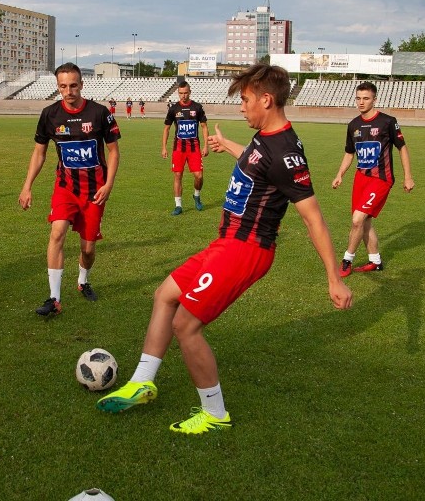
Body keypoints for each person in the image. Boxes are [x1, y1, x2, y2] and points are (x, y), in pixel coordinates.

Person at [97, 64, 352, 434]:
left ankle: (215, 414)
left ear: (267, 100)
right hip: (227, 241)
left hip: (247, 248)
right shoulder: (265, 137)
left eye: (246, 100)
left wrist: (334, 278)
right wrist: (228, 145)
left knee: (186, 324)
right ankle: (142, 381)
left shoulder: (284, 152)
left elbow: (313, 219)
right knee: (165, 294)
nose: (242, 107)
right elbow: (254, 161)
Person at [19, 63, 121, 317]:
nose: (69, 91)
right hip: (65, 188)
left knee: (87, 249)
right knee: (57, 233)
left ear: (81, 85)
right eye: (63, 86)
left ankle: (83, 280)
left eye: (73, 85)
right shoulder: (49, 114)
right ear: (58, 87)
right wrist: (27, 186)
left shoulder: (100, 113)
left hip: (94, 191)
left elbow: (114, 151)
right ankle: (54, 299)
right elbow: (39, 152)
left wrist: (108, 185)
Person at [332, 81, 414, 277]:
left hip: (381, 179)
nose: (361, 102)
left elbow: (402, 147)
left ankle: (346, 261)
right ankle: (375, 261)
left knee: (357, 219)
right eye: (358, 98)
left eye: (366, 98)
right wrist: (339, 174)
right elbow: (349, 153)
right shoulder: (353, 125)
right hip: (361, 179)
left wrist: (408, 177)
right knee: (364, 222)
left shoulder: (387, 121)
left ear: (374, 99)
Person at [162, 81, 209, 215]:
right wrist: (164, 147)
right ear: (178, 93)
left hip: (194, 149)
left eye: (185, 93)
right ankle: (178, 206)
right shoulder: (173, 109)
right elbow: (166, 129)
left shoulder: (197, 107)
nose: (183, 96)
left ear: (190, 92)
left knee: (199, 176)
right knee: (177, 175)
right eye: (181, 93)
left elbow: (204, 127)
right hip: (178, 149)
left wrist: (206, 146)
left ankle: (197, 195)